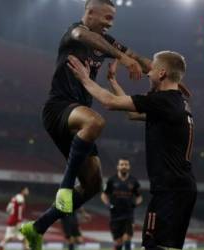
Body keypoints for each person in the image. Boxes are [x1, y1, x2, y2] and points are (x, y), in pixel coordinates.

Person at [20, 0, 151, 249]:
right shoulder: (75, 32)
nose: (110, 22)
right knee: (96, 120)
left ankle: (36, 228)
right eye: (107, 17)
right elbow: (84, 35)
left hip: (77, 118)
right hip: (59, 108)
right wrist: (122, 58)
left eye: (113, 18)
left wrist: (165, 74)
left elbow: (138, 57)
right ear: (89, 13)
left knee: (93, 186)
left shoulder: (106, 41)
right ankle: (65, 188)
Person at [67, 50, 197, 250]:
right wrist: (114, 82)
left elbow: (110, 102)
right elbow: (132, 114)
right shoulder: (177, 102)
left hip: (169, 191)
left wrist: (84, 78)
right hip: (181, 188)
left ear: (162, 73)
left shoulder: (162, 100)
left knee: (153, 245)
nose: (148, 74)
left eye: (152, 69)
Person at [101, 158, 143, 250]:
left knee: (127, 238)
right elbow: (104, 195)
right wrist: (108, 205)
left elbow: (139, 197)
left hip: (129, 215)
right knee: (118, 242)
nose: (124, 166)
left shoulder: (133, 181)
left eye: (126, 164)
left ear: (129, 167)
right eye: (122, 164)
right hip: (115, 215)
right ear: (118, 166)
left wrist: (135, 204)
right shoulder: (111, 180)